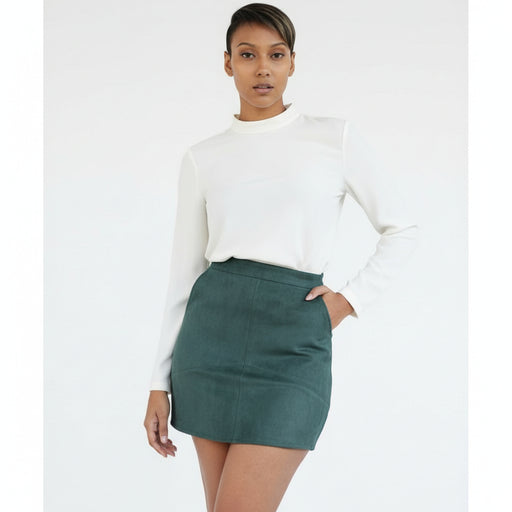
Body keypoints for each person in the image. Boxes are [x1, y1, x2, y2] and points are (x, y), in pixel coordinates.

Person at [143, 3, 420, 511]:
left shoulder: (334, 138)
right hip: (210, 343)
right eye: (247, 55)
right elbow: (184, 274)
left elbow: (401, 229)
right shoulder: (203, 157)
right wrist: (158, 382)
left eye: (276, 55)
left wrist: (347, 302)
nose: (263, 69)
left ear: (293, 62)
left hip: (293, 345)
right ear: (227, 62)